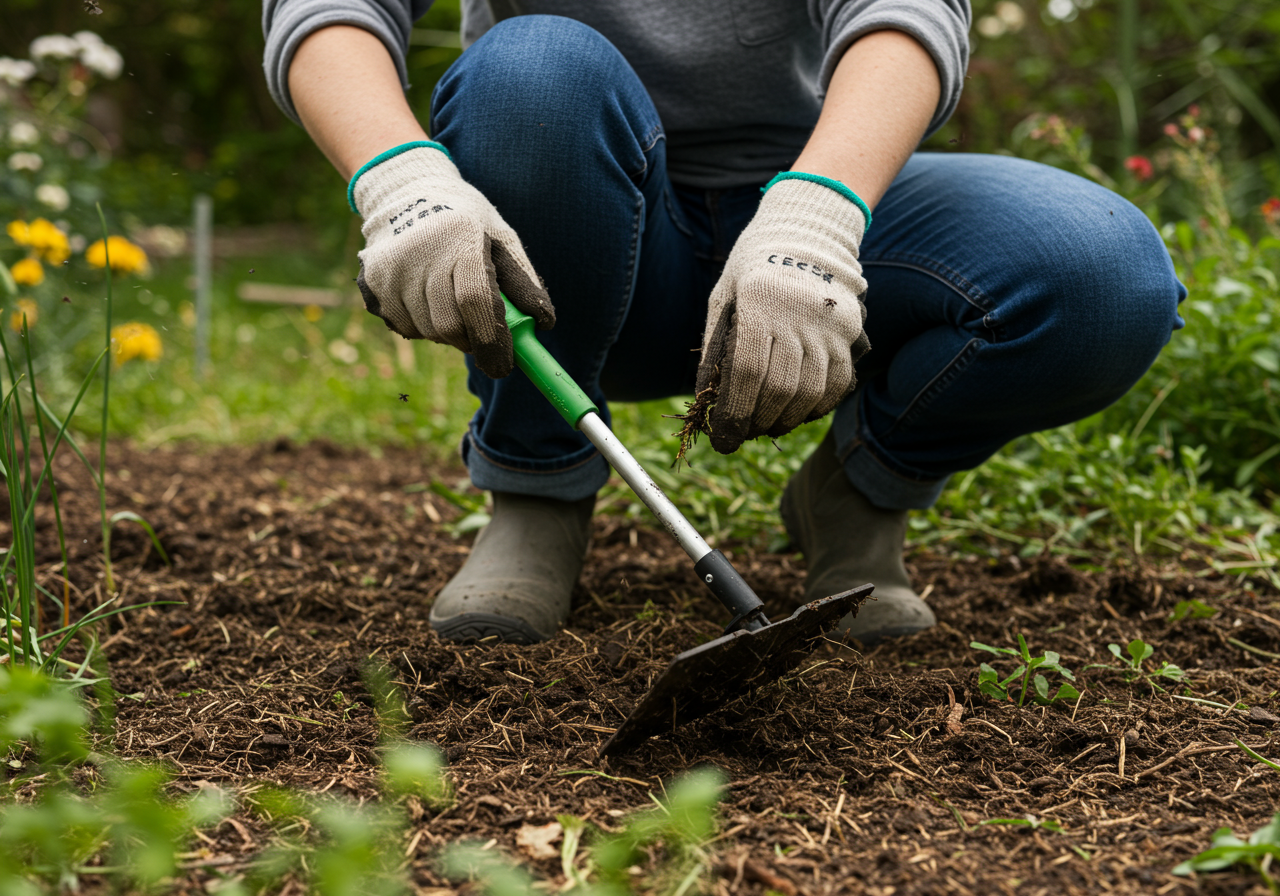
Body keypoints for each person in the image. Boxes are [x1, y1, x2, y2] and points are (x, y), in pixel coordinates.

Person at [263, 1, 1185, 646]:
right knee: (532, 71)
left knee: (1101, 275)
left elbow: (904, 12)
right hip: (584, 238)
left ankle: (858, 499)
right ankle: (537, 483)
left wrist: (818, 214)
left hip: (825, 205)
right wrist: (397, 179)